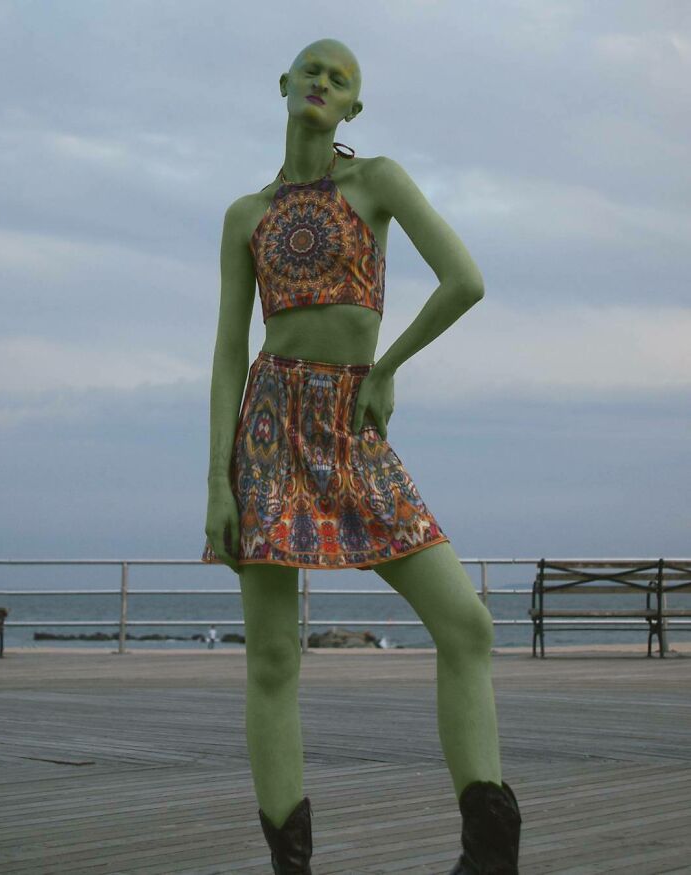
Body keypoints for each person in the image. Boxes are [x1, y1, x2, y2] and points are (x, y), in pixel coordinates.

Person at [202, 38, 522, 875]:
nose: (322, 80)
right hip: (268, 427)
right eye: (311, 69)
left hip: (352, 422)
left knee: (467, 624)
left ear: (354, 106)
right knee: (272, 658)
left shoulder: (375, 180)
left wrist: (387, 367)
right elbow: (229, 352)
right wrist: (216, 480)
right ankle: (292, 865)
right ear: (283, 85)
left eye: (340, 78)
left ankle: (489, 856)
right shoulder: (247, 214)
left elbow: (465, 279)